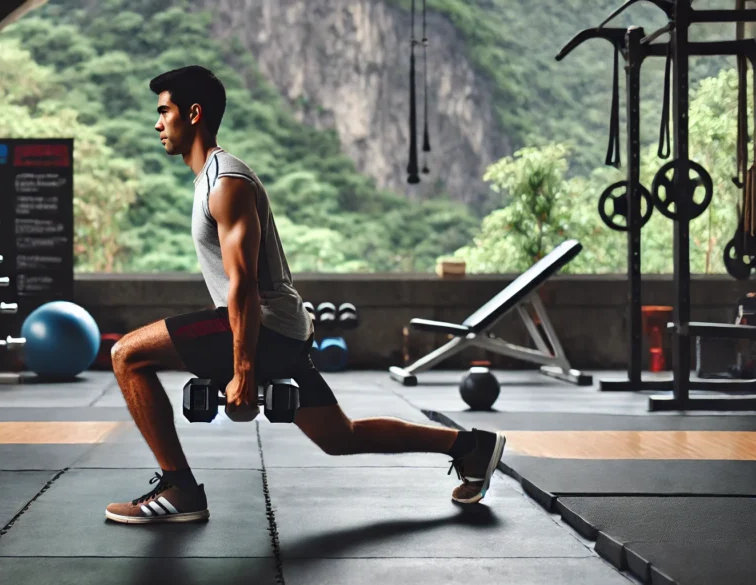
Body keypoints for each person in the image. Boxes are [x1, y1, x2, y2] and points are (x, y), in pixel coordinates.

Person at [104, 65, 505, 524]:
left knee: (127, 355)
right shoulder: (209, 180)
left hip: (265, 325)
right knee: (339, 436)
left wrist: (243, 372)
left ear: (193, 114)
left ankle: (180, 490)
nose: (157, 123)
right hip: (284, 329)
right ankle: (470, 446)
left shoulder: (226, 183)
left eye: (164, 111)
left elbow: (244, 284)